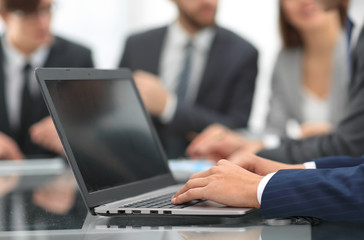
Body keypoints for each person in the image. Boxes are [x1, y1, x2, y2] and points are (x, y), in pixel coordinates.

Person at [172, 0, 364, 222]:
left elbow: (350, 143)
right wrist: (276, 161)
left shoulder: (355, 42)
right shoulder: (286, 59)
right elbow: (274, 130)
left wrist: (260, 186)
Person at [187, 0, 350, 161]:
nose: (305, 1)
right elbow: (274, 131)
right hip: (312, 170)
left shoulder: (357, 50)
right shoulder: (285, 60)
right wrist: (232, 138)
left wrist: (335, 134)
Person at [119, 0, 258, 158]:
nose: (209, 2)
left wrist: (169, 106)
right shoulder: (137, 45)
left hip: (205, 168)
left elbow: (236, 129)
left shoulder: (243, 53)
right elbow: (118, 112)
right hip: (140, 161)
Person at [0, 0, 94, 160]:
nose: (43, 22)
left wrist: (72, 137)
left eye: (47, 9)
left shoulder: (79, 59)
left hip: (59, 179)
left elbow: (96, 131)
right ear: (5, 16)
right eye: (29, 14)